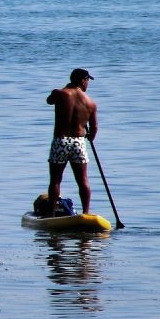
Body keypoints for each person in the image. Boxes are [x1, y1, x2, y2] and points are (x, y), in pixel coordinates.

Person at [45, 68, 97, 216]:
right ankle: (86, 212)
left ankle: (50, 213)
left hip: (61, 140)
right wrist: (89, 136)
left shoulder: (60, 93)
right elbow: (93, 130)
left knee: (55, 180)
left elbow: (49, 101)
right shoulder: (90, 103)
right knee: (83, 180)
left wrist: (65, 88)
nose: (88, 84)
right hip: (79, 142)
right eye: (87, 80)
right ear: (82, 80)